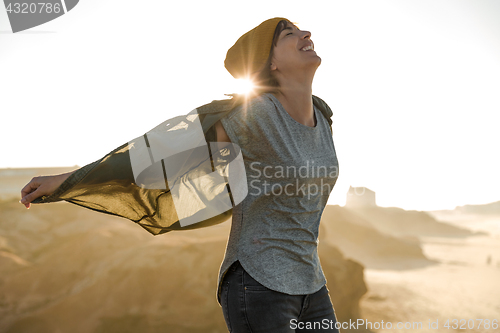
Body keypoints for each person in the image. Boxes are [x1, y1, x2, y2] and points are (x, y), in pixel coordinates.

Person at [20, 17, 340, 333]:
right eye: (289, 33)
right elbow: (157, 154)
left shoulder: (323, 117)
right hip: (259, 285)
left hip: (312, 285)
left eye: (300, 29)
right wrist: (69, 180)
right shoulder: (252, 114)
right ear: (269, 63)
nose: (305, 33)